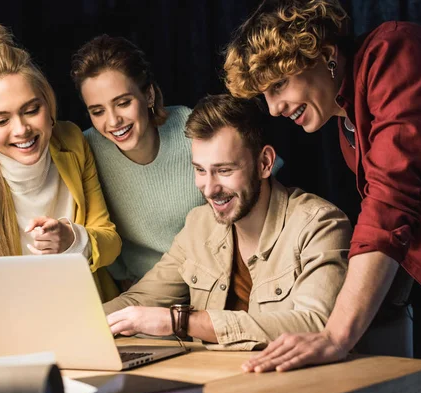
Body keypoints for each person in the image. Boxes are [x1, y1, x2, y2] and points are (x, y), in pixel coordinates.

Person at [224, 0, 421, 393]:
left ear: (325, 56)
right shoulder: (348, 123)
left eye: (278, 86)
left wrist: (336, 335)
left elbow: (390, 204)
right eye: (265, 95)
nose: (274, 109)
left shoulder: (396, 53)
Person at [103, 94, 351, 350]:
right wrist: (70, 327)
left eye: (224, 171)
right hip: (217, 381)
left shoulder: (320, 224)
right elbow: (139, 300)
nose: (209, 189)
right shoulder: (198, 225)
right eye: (200, 170)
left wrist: (181, 322)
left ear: (265, 163)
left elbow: (318, 325)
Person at [0, 24, 121, 341]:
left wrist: (72, 239)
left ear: (49, 105)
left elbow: (110, 243)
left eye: (31, 110)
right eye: (0, 120)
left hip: (94, 325)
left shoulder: (73, 144)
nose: (21, 129)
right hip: (16, 342)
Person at [70, 35, 205, 289]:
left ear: (149, 95)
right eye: (97, 111)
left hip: (212, 281)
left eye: (123, 103)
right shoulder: (87, 150)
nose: (113, 122)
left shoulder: (190, 128)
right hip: (145, 293)